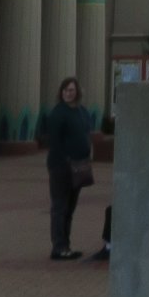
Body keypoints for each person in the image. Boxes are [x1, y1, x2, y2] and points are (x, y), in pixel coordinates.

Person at [44, 75, 94, 260]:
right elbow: (54, 141)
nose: (68, 93)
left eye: (71, 90)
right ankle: (58, 247)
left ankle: (66, 245)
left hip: (79, 167)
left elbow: (86, 133)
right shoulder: (58, 113)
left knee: (70, 208)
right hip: (61, 167)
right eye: (65, 90)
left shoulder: (82, 111)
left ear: (77, 92)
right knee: (60, 207)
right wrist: (65, 160)